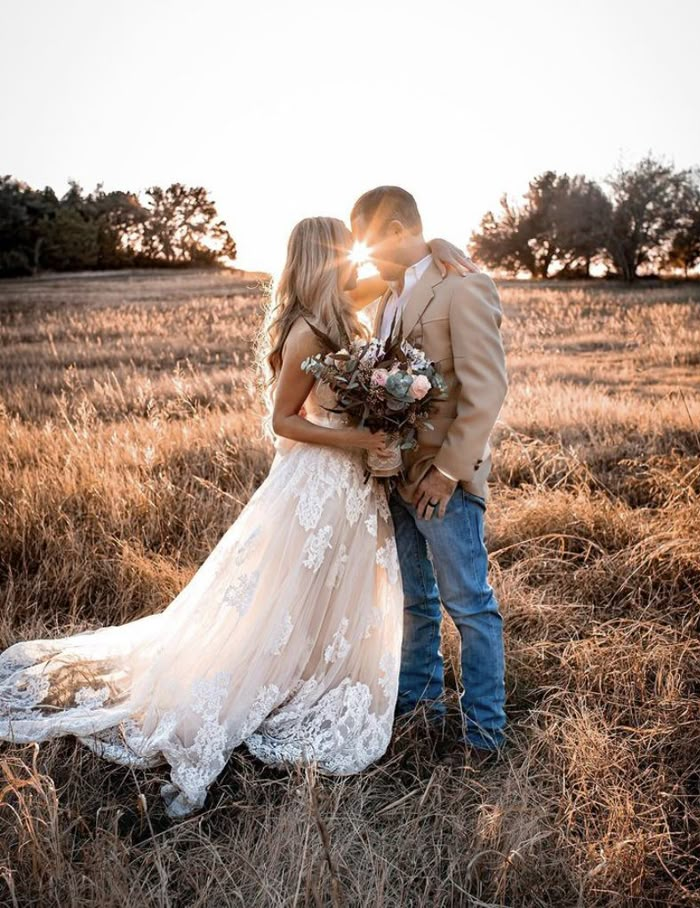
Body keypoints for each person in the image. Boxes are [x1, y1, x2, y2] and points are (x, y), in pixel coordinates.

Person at [0, 215, 473, 818]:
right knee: (284, 598)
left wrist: (433, 245)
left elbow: (392, 268)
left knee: (328, 598)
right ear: (318, 260)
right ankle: (252, 690)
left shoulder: (340, 309)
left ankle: (304, 680)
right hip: (318, 481)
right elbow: (284, 421)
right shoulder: (306, 328)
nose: (353, 261)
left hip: (351, 486)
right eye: (341, 252)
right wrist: (361, 442)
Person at [351, 186, 509, 753]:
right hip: (394, 475)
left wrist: (446, 473)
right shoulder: (384, 296)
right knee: (413, 602)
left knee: (469, 605)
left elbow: (487, 391)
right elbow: (340, 285)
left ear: (395, 229)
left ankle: (485, 735)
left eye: (370, 242)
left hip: (443, 483)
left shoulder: (464, 286)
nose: (364, 257)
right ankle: (419, 716)